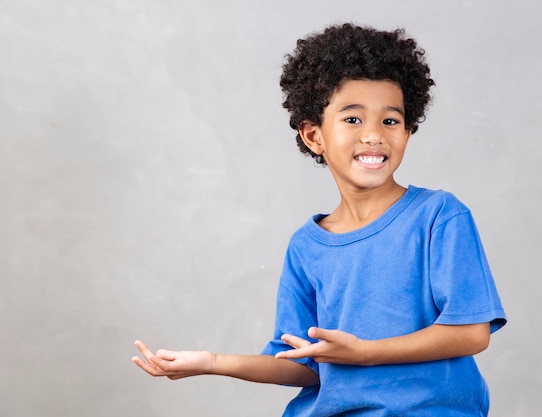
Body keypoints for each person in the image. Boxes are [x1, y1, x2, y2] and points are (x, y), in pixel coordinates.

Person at [132, 23, 507, 416]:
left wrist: (365, 353)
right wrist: (211, 362)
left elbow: (471, 332)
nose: (374, 135)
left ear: (408, 131)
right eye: (353, 119)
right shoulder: (306, 246)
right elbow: (303, 366)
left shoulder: (439, 216)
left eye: (390, 121)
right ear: (314, 136)